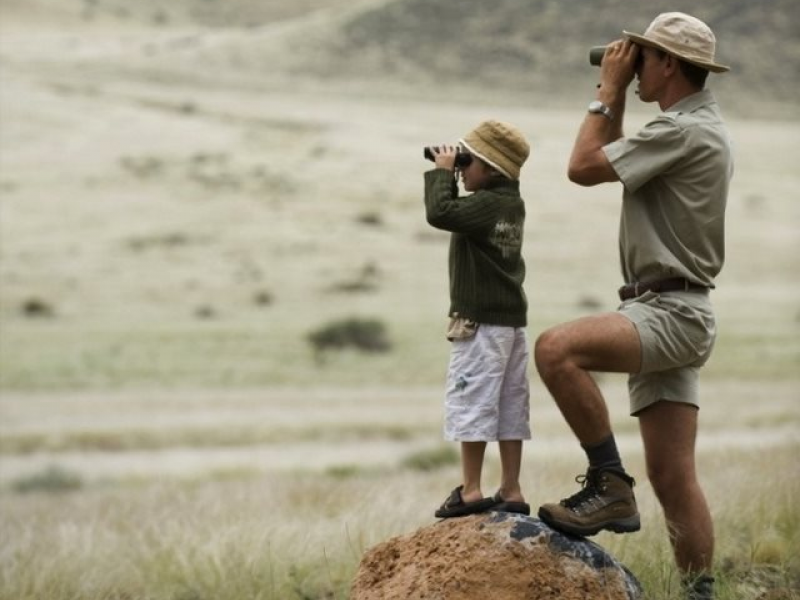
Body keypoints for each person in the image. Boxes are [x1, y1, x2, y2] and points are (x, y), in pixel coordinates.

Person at [533, 12, 732, 600]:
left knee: (556, 349)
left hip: (668, 313)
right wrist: (619, 95)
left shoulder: (680, 130)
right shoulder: (693, 125)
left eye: (643, 57)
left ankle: (608, 483)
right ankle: (700, 593)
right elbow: (613, 155)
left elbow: (583, 167)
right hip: (678, 309)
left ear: (669, 64)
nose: (635, 67)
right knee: (674, 479)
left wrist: (607, 92)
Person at [423, 120, 533, 519]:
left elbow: (439, 213)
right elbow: (454, 212)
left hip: (480, 324)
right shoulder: (510, 203)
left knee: (472, 402)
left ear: (490, 168)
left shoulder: (486, 205)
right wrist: (454, 172)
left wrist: (440, 173)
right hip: (509, 323)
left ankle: (471, 490)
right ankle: (512, 487)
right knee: (509, 405)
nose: (461, 169)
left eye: (466, 162)